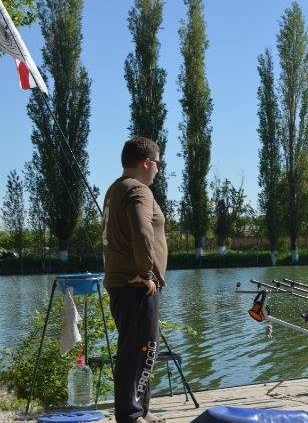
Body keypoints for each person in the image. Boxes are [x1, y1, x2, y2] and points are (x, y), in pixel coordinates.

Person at [102, 136, 168, 423]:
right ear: (146, 163)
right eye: (157, 164)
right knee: (142, 349)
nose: (158, 170)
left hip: (121, 282)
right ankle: (130, 415)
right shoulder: (139, 190)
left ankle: (141, 409)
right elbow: (142, 233)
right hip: (137, 284)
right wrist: (146, 273)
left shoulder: (116, 188)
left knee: (140, 348)